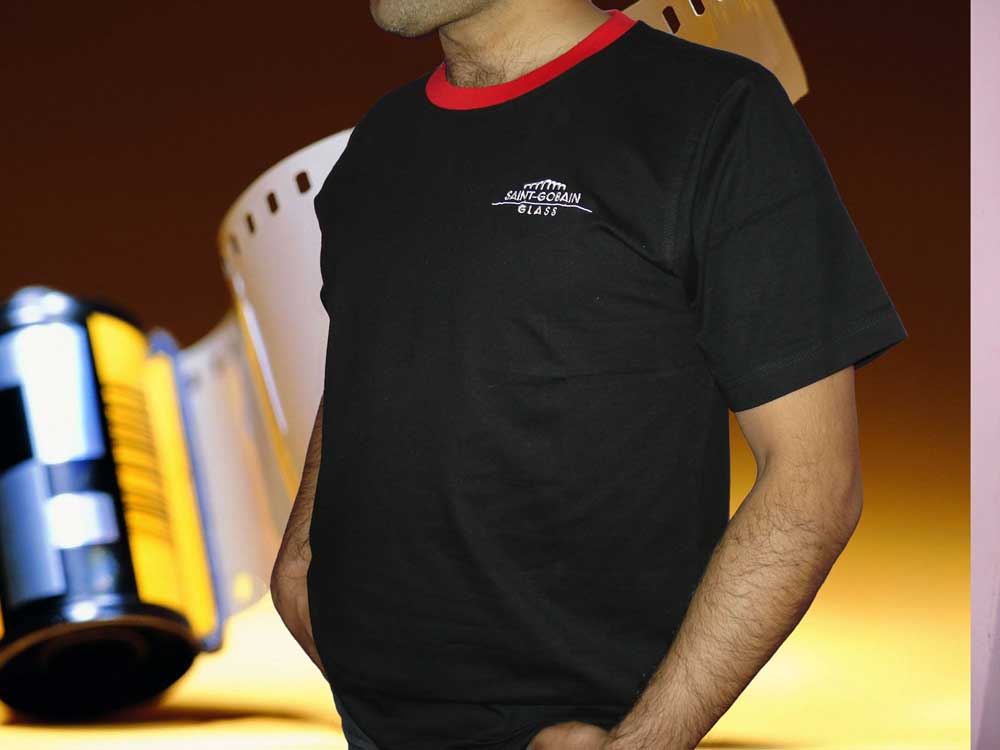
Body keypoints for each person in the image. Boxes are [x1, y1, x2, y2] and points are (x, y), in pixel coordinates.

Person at [270, 2, 909, 749]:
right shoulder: (383, 138)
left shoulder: (716, 112)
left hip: (566, 729)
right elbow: (377, 348)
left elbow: (814, 482)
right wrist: (302, 549)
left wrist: (645, 741)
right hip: (369, 716)